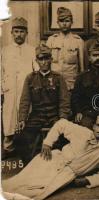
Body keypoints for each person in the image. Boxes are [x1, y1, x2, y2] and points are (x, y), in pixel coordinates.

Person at [2, 113, 99, 200]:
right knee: (17, 182)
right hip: (53, 159)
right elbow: (61, 123)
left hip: (68, 173)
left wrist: (88, 180)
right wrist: (48, 142)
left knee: (36, 193)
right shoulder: (83, 132)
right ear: (94, 126)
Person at [14, 44, 70, 165]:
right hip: (37, 116)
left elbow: (64, 100)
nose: (44, 62)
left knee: (66, 137)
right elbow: (25, 101)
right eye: (41, 59)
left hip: (55, 116)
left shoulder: (58, 77)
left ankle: (60, 164)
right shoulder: (30, 78)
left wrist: (63, 119)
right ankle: (30, 164)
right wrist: (22, 119)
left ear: (51, 59)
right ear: (37, 61)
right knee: (19, 137)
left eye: (47, 58)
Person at [1, 17, 38, 158]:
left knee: (25, 115)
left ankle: (25, 148)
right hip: (9, 90)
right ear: (11, 33)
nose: (19, 34)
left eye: (22, 31)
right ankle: (8, 147)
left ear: (26, 33)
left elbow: (36, 71)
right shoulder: (5, 51)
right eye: (16, 31)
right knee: (9, 117)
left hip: (25, 90)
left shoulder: (32, 50)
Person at [46, 7, 84, 91]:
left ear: (71, 22)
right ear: (58, 23)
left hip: (71, 84)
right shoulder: (51, 40)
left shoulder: (78, 41)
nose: (64, 24)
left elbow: (82, 68)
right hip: (54, 83)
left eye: (67, 21)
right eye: (62, 21)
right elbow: (46, 63)